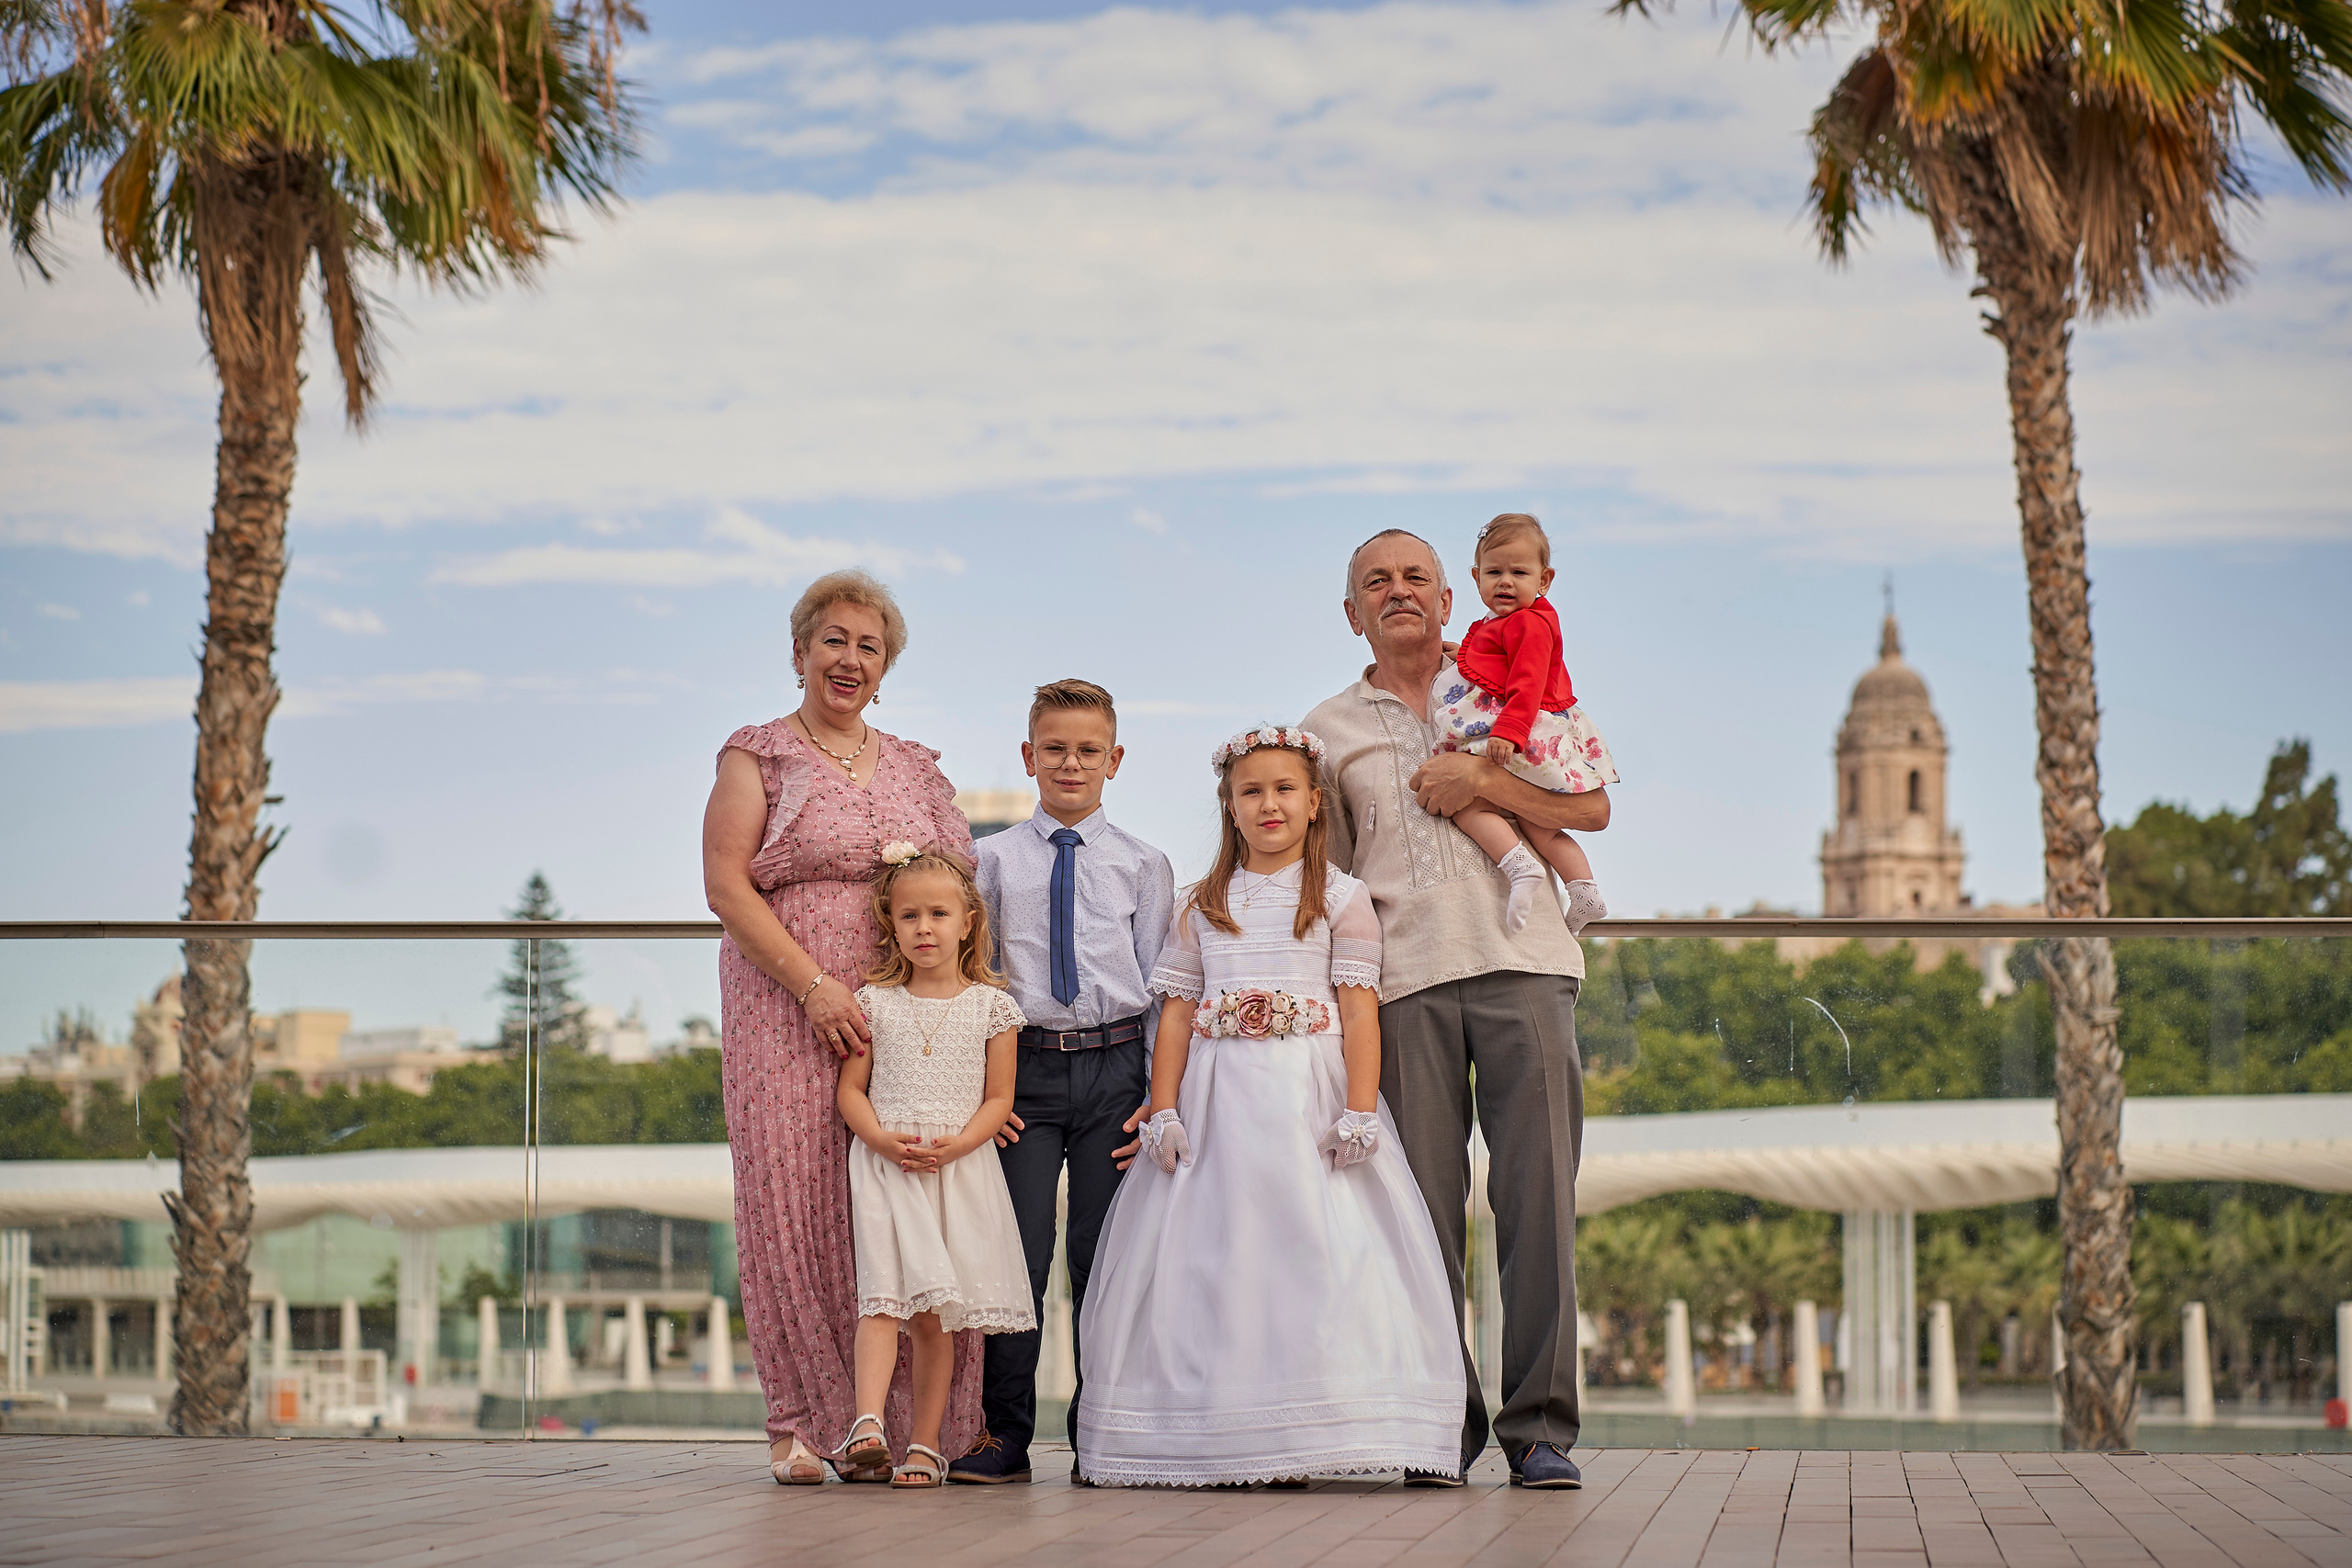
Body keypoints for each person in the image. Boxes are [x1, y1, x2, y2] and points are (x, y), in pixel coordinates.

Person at [1075, 727, 1464, 1488]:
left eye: (1285, 789)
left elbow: (1358, 1015)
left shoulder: (1342, 900)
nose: (1269, 804)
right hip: (1220, 1101)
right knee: (1216, 1255)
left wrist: (1358, 1109)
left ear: (1315, 802)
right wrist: (1163, 1107)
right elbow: (1180, 1016)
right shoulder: (1202, 902)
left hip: (1306, 1097)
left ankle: (1320, 1425)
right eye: (1251, 791)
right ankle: (1228, 1432)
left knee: (1317, 1250)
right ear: (1230, 805)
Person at [1302, 528, 1609, 1490]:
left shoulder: (1518, 671)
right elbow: (1331, 875)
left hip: (1526, 965)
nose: (1397, 594)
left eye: (1416, 580)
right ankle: (1441, 1424)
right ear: (1351, 612)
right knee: (1418, 1217)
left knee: (1536, 1204)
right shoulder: (1322, 732)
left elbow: (1592, 810)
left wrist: (1482, 778)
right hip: (1398, 989)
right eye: (1375, 584)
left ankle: (1540, 1429)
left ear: (1449, 600)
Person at [701, 569, 981, 1486]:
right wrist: (816, 985)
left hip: (908, 1013)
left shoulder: (914, 766)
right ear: (799, 653)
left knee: (896, 1195)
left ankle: (900, 1427)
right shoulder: (758, 756)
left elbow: (961, 884)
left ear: (885, 665)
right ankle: (797, 1422)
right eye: (834, 641)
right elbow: (726, 884)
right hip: (782, 1006)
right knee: (793, 1198)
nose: (849, 659)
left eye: (868, 646)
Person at [951, 679, 1174, 1484]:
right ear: (1029, 756)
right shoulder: (992, 859)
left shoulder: (1146, 864)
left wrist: (1158, 1090)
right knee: (1019, 1252)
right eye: (1055, 749)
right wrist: (988, 1090)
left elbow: (1161, 985)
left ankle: (1100, 1431)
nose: (1071, 763)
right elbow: (975, 979)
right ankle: (1004, 1432)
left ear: (1114, 760)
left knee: (1101, 1252)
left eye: (1088, 750)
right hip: (1027, 1071)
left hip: (1116, 1073)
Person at [838, 845, 1036, 1489]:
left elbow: (999, 1098)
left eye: (938, 914)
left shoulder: (992, 1007)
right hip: (887, 1166)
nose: (924, 927)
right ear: (892, 924)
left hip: (954, 1170)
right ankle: (867, 1425)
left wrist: (958, 1145)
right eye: (910, 915)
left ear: (967, 922)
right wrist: (881, 1139)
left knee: (932, 1316)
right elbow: (850, 1091)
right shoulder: (874, 1002)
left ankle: (925, 1445)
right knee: (881, 1298)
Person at [1430, 514, 1617, 935]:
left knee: (1465, 801)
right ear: (1476, 578)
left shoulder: (1529, 622)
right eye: (1494, 572)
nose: (1505, 582)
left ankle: (1518, 866)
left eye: (1519, 572)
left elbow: (1528, 682)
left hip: (1525, 731)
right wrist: (1465, 652)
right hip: (1531, 730)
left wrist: (1509, 732)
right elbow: (1501, 663)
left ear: (1544, 580)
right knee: (1537, 819)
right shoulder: (1510, 622)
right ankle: (1582, 886)